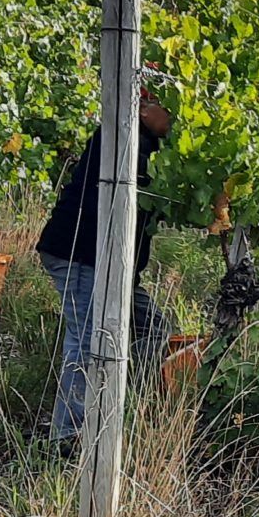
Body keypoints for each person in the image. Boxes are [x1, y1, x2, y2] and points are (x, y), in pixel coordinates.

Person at [35, 76, 174, 452]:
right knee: (86, 338)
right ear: (144, 108)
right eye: (169, 109)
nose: (174, 119)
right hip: (79, 253)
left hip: (113, 266)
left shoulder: (154, 146)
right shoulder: (121, 140)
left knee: (154, 327)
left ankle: (115, 410)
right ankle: (69, 437)